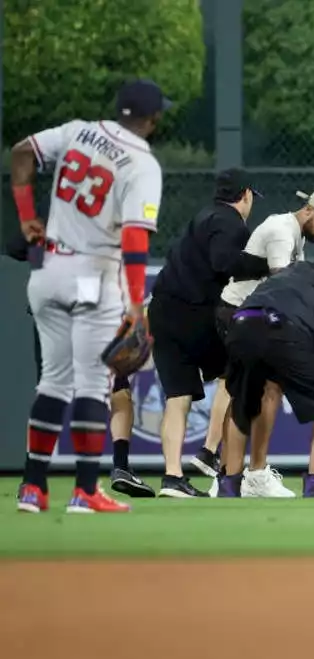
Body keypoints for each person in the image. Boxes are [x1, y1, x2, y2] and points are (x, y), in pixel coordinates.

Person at [13, 79, 169, 514]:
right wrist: (137, 304)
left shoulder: (77, 130)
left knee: (52, 381)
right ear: (153, 119)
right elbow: (136, 238)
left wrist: (28, 217)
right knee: (93, 383)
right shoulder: (142, 163)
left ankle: (32, 487)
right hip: (95, 273)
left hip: (48, 271)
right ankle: (84, 489)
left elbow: (21, 151)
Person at [212, 187, 314, 498]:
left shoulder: (295, 235)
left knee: (267, 391)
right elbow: (282, 284)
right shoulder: (282, 231)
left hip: (260, 319)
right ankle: (229, 473)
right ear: (309, 211)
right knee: (242, 395)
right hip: (241, 315)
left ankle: (249, 475)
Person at [143, 169, 267, 499]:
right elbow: (224, 261)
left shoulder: (203, 216)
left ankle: (172, 477)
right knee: (237, 372)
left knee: (177, 395)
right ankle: (215, 456)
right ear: (245, 195)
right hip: (194, 314)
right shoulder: (230, 221)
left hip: (162, 311)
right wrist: (266, 265)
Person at [216, 251, 314, 499]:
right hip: (282, 329)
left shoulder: (289, 271)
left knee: (243, 403)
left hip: (242, 323)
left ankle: (229, 483)